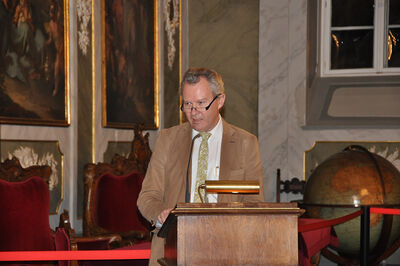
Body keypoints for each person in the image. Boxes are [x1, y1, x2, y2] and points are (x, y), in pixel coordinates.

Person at [137, 67, 264, 265]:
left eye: (201, 103)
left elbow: (254, 204)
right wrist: (161, 213)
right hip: (172, 252)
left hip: (226, 252)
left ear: (220, 101)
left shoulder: (246, 143)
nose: (193, 112)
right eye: (187, 104)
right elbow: (147, 197)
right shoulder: (168, 140)